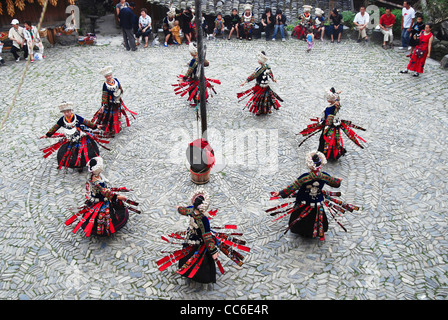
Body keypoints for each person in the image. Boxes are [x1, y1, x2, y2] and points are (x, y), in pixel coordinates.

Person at [157, 189, 250, 285]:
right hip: (200, 241)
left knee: (189, 253)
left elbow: (184, 210)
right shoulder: (204, 220)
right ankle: (201, 276)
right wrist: (213, 251)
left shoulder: (191, 210)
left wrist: (178, 208)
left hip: (191, 237)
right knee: (200, 257)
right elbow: (207, 237)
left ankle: (187, 270)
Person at [268, 151, 359, 242]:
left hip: (303, 200)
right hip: (317, 202)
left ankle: (301, 230)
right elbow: (334, 183)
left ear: (310, 165)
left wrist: (280, 193)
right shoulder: (324, 176)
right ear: (321, 164)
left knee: (300, 215)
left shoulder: (304, 177)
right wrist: (339, 180)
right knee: (316, 216)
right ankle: (314, 231)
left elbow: (292, 187)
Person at [65, 156, 139, 237]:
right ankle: (105, 230)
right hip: (101, 200)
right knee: (106, 216)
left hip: (101, 197)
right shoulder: (97, 182)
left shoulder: (96, 176)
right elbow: (106, 193)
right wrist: (118, 196)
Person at [298, 88, 366, 161]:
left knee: (326, 139)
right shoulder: (334, 104)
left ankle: (325, 154)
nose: (327, 100)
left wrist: (327, 126)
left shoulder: (334, 106)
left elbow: (332, 112)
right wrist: (336, 93)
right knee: (327, 140)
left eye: (328, 99)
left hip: (329, 125)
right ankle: (325, 153)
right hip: (327, 124)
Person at [41, 102, 108, 171]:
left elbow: (86, 122)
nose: (66, 113)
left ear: (71, 111)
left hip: (79, 137)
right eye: (65, 112)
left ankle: (82, 164)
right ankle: (74, 164)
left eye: (68, 111)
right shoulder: (62, 120)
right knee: (68, 151)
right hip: (69, 138)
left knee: (81, 151)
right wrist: (47, 134)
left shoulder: (77, 117)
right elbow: (55, 127)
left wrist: (96, 126)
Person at [92, 66, 137, 137]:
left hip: (117, 101)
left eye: (110, 75)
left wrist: (119, 92)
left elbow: (119, 87)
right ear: (105, 77)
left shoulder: (115, 80)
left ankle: (116, 124)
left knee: (117, 114)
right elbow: (104, 95)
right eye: (107, 76)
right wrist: (103, 105)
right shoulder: (105, 85)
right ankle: (108, 128)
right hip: (110, 103)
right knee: (109, 116)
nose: (109, 77)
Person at [172, 43, 221, 107]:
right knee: (202, 88)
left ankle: (197, 101)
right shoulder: (200, 58)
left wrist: (184, 78)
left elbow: (190, 70)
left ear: (191, 53)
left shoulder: (194, 60)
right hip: (201, 77)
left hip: (194, 78)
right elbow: (207, 64)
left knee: (193, 90)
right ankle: (204, 99)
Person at [238, 51, 283, 115]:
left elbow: (253, 76)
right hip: (265, 86)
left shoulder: (259, 69)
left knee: (259, 98)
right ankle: (266, 109)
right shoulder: (267, 67)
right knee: (266, 98)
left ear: (260, 61)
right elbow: (270, 73)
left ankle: (260, 109)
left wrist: (245, 81)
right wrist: (273, 79)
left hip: (260, 86)